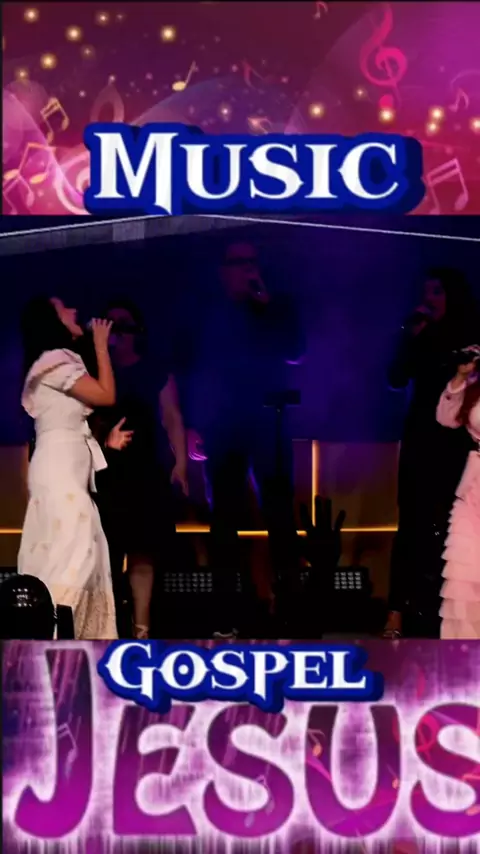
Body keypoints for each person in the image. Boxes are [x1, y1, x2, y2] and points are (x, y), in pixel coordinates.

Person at [178, 241, 305, 638]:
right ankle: (226, 613)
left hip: (269, 420)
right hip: (223, 423)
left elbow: (295, 351)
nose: (247, 269)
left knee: (279, 512)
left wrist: (267, 305)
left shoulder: (275, 305)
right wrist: (192, 424)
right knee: (225, 518)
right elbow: (190, 369)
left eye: (252, 261)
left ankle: (290, 609)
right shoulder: (207, 311)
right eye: (239, 262)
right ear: (224, 270)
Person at [17, 296, 131, 639]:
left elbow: (68, 420)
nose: (74, 311)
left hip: (65, 469)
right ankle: (54, 639)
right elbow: (106, 395)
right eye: (64, 308)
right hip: (60, 473)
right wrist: (101, 345)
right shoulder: (54, 360)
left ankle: (75, 640)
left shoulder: (56, 361)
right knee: (72, 555)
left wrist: (104, 445)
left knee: (78, 552)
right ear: (51, 320)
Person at [383, 269, 479, 639]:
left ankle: (445, 615)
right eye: (426, 292)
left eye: (437, 291)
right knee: (411, 524)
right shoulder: (419, 334)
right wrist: (410, 335)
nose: (430, 299)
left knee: (450, 528)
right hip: (421, 437)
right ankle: (396, 613)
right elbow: (395, 377)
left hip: (458, 441)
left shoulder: (468, 337)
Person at [92, 299, 189, 640]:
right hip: (107, 468)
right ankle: (105, 626)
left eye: (123, 324)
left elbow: (172, 416)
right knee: (106, 549)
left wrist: (181, 464)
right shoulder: (95, 371)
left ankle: (141, 627)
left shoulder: (154, 370)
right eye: (111, 323)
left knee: (143, 549)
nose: (117, 330)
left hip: (146, 468)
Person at [436, 347, 480, 638]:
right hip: (475, 487)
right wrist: (461, 377)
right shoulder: (474, 388)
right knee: (466, 569)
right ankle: (464, 651)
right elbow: (446, 417)